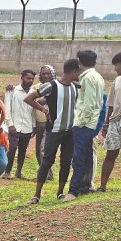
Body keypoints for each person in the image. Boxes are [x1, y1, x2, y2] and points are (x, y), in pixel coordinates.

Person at [23, 59, 81, 203]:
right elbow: (29, 98)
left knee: (66, 162)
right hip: (54, 131)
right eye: (79, 71)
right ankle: (36, 195)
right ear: (74, 71)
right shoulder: (51, 86)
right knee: (47, 162)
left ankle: (60, 192)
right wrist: (44, 110)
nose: (80, 74)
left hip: (70, 131)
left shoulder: (75, 87)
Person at [63, 50, 105, 201]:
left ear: (80, 62)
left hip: (84, 125)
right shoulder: (97, 76)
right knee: (86, 157)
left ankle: (73, 191)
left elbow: (89, 104)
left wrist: (80, 123)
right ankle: (84, 187)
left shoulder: (88, 78)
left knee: (79, 158)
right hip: (90, 123)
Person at [3, 70, 37, 179]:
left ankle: (18, 172)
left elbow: (33, 111)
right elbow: (7, 108)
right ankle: (7, 172)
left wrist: (34, 126)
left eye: (32, 79)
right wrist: (10, 124)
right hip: (15, 126)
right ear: (22, 78)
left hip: (27, 126)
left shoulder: (34, 93)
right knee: (12, 148)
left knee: (23, 150)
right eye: (28, 78)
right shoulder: (12, 91)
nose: (30, 80)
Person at [99, 52, 121, 191]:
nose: (115, 68)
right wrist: (106, 123)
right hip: (115, 121)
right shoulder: (117, 81)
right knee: (111, 154)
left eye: (116, 65)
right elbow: (111, 103)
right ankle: (103, 186)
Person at [32, 65, 57, 180]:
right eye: (44, 74)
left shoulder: (56, 86)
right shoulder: (36, 87)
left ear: (53, 74)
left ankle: (44, 175)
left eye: (48, 73)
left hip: (51, 122)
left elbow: (41, 101)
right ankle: (48, 174)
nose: (46, 75)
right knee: (39, 150)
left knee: (44, 148)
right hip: (39, 121)